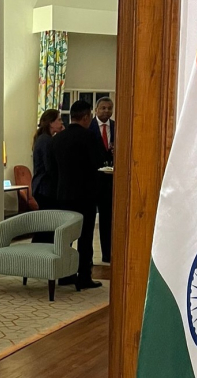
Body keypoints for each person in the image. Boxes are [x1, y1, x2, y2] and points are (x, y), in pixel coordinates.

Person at [48, 100, 103, 290]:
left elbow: (53, 169)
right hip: (85, 195)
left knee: (66, 237)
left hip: (63, 194)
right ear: (87, 116)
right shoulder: (89, 137)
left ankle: (65, 275)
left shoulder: (57, 139)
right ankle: (84, 277)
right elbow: (98, 161)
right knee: (85, 237)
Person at [89, 97, 115, 263]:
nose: (106, 111)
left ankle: (108, 255)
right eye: (103, 108)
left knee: (107, 220)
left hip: (111, 180)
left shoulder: (116, 126)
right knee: (89, 221)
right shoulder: (89, 127)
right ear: (96, 110)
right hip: (93, 180)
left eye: (109, 108)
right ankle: (88, 258)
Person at [31, 108, 64, 210]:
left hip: (42, 187)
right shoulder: (46, 140)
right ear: (51, 123)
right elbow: (50, 166)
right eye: (59, 120)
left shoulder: (44, 138)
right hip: (46, 188)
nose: (62, 122)